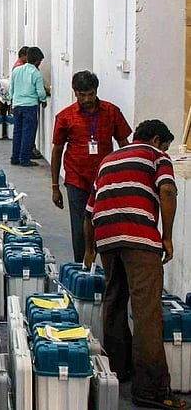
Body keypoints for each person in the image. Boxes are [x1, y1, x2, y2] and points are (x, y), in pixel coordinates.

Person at [83, 120, 184, 409]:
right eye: (164, 145)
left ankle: (117, 370)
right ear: (156, 140)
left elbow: (90, 212)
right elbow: (167, 191)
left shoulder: (108, 160)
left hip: (106, 238)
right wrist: (166, 237)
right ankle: (150, 390)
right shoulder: (157, 156)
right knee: (147, 311)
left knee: (114, 302)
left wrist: (90, 249)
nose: (166, 150)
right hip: (139, 238)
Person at [51, 70, 131, 262]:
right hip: (76, 178)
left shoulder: (112, 112)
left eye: (91, 94)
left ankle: (107, 268)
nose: (87, 99)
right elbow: (57, 150)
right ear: (75, 93)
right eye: (82, 95)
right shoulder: (65, 117)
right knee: (79, 226)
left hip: (105, 180)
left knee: (106, 224)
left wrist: (128, 174)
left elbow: (123, 143)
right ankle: (82, 267)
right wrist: (55, 186)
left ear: (96, 91)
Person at [9, 46, 47, 166]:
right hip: (30, 106)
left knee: (17, 132)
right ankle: (24, 159)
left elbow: (12, 88)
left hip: (17, 104)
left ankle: (15, 158)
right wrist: (43, 100)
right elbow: (40, 91)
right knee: (28, 133)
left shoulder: (16, 71)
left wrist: (12, 102)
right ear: (37, 61)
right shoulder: (36, 73)